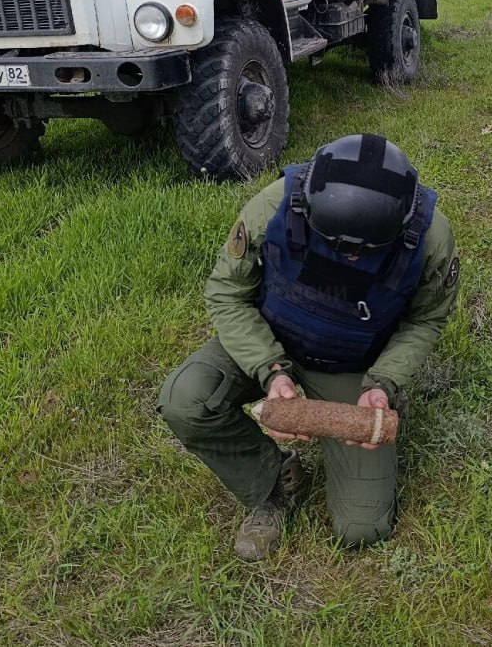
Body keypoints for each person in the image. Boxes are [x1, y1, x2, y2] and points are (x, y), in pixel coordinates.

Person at [159, 134, 460, 559]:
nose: (351, 259)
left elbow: (426, 318)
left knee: (362, 528)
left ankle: (382, 406)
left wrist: (384, 382)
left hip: (350, 367)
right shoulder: (275, 204)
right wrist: (270, 369)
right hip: (269, 338)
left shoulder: (430, 239)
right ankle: (274, 484)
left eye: (364, 250)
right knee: (185, 399)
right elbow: (227, 292)